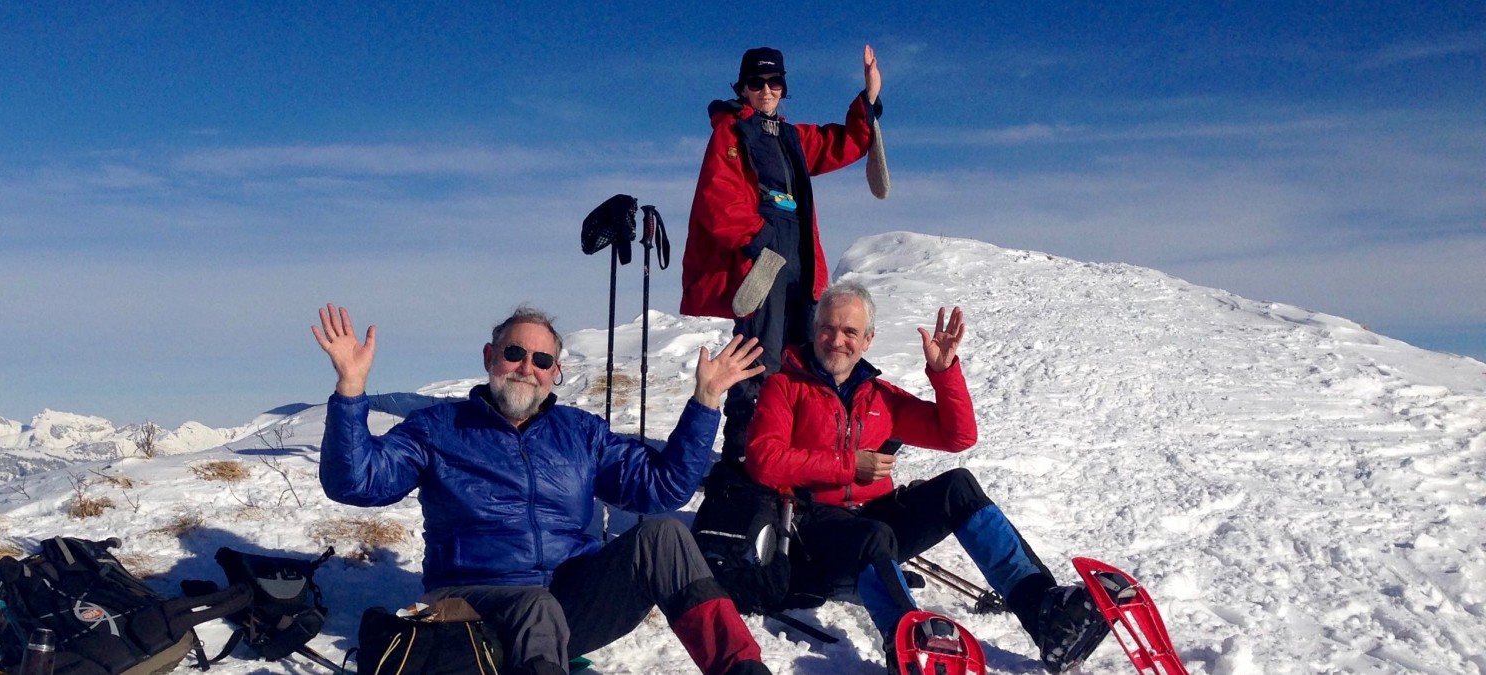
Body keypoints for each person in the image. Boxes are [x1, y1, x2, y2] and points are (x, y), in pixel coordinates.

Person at [313, 303, 774, 675]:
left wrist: (706, 401)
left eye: (541, 360)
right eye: (514, 353)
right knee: (536, 606)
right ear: (489, 357)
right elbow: (355, 481)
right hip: (471, 600)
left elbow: (664, 488)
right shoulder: (438, 428)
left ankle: (742, 669)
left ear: (555, 371)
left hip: (567, 600)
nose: (525, 367)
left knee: (666, 537)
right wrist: (350, 390)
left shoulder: (580, 433)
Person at [744, 282, 1110, 673]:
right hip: (811, 528)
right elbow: (764, 460)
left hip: (871, 521)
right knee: (874, 535)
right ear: (814, 331)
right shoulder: (784, 387)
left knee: (958, 487)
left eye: (850, 331)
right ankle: (908, 644)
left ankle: (1045, 615)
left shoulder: (878, 396)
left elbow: (958, 436)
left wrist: (943, 372)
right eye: (828, 328)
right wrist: (850, 464)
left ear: (867, 340)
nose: (837, 340)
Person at [679, 46, 884, 458]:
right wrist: (759, 241)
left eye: (774, 83)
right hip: (764, 261)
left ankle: (791, 444)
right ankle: (744, 450)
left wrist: (869, 97)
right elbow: (715, 199)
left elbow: (841, 142)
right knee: (758, 354)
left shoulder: (791, 137)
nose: (766, 90)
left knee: (801, 355)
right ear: (743, 88)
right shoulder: (731, 133)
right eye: (757, 83)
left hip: (801, 263)